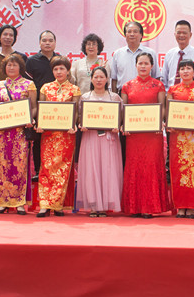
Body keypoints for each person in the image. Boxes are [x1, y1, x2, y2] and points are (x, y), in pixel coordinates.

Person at [121, 52, 171, 218]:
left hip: (152, 134)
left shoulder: (158, 85)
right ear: (135, 65)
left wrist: (160, 123)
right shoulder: (127, 86)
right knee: (134, 166)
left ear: (152, 66)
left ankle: (150, 206)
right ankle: (134, 206)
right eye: (140, 63)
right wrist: (124, 125)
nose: (143, 66)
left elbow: (162, 107)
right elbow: (124, 109)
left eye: (146, 63)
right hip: (134, 135)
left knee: (151, 167)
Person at [35, 55, 81, 217]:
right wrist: (39, 123)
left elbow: (76, 111)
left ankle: (57, 204)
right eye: (56, 69)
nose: (59, 72)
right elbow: (41, 109)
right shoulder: (45, 88)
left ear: (68, 71)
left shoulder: (74, 89)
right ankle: (44, 204)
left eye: (62, 68)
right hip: (48, 134)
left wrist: (73, 124)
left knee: (62, 168)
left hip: (66, 135)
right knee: (46, 167)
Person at [0, 53, 36, 215]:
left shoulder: (29, 84)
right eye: (9, 65)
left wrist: (30, 119)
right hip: (2, 132)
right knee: (2, 164)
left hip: (20, 132)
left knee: (19, 165)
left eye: (14, 65)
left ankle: (19, 202)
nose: (11, 67)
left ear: (20, 67)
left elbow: (33, 107)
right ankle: (3, 201)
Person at [76, 66, 123, 217]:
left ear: (107, 79)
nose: (98, 80)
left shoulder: (114, 97)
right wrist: (81, 125)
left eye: (101, 77)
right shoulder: (85, 97)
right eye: (95, 77)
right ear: (91, 79)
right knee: (92, 169)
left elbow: (121, 118)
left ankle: (105, 205)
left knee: (108, 169)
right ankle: (93, 205)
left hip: (109, 139)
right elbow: (79, 117)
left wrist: (118, 126)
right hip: (90, 137)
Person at [166, 59, 194, 219]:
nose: (185, 71)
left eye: (188, 68)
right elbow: (169, 111)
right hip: (177, 137)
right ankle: (180, 205)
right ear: (178, 72)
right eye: (182, 68)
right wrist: (169, 124)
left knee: (193, 170)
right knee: (178, 170)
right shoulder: (173, 89)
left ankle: (191, 206)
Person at [26, 30, 61, 179]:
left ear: (55, 43)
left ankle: (55, 169)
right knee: (38, 139)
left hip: (58, 106)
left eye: (50, 40)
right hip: (38, 106)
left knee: (56, 138)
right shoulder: (31, 61)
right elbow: (28, 84)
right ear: (39, 42)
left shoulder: (60, 60)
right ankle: (38, 171)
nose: (47, 43)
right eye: (44, 40)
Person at [109, 21, 159, 93]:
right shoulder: (117, 54)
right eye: (129, 32)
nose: (132, 34)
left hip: (146, 94)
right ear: (125, 35)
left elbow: (156, 77)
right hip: (123, 94)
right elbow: (114, 79)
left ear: (141, 35)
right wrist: (115, 97)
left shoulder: (150, 53)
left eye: (135, 31)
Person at [160, 20, 194, 90]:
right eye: (179, 33)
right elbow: (164, 79)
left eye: (184, 33)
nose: (181, 35)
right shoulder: (169, 54)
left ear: (190, 35)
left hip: (191, 94)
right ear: (175, 34)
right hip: (171, 94)